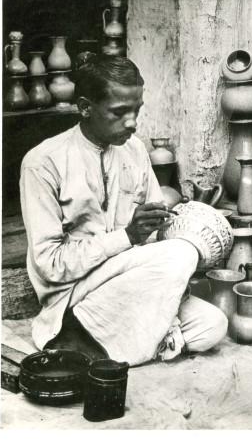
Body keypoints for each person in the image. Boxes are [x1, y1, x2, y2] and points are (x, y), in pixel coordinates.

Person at [19, 54, 228, 365]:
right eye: (119, 112)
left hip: (128, 281)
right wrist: (127, 236)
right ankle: (81, 334)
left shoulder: (135, 149)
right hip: (73, 292)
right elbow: (50, 266)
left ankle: (92, 344)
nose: (132, 122)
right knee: (180, 254)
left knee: (213, 324)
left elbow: (155, 236)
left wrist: (168, 230)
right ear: (85, 107)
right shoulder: (42, 162)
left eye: (136, 110)